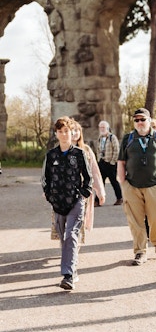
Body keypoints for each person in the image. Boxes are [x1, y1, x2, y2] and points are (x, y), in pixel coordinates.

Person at [117, 108, 156, 265]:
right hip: (132, 186)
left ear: (149, 120)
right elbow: (121, 162)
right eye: (136, 120)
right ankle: (140, 252)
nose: (140, 123)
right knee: (136, 221)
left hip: (154, 185)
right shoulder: (128, 139)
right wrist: (122, 182)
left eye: (142, 119)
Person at [42, 116, 93, 290]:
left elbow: (88, 177)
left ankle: (68, 275)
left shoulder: (79, 154)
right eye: (60, 131)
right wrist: (50, 196)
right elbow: (45, 179)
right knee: (63, 239)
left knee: (71, 235)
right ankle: (72, 269)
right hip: (58, 203)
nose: (64, 135)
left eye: (67, 131)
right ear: (56, 133)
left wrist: (83, 194)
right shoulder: (51, 155)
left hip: (75, 201)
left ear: (72, 132)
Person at [72, 121, 106, 244]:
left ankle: (74, 248)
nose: (75, 133)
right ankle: (68, 246)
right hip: (66, 192)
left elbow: (94, 172)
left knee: (79, 220)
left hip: (83, 191)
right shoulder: (60, 150)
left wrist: (100, 192)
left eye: (77, 130)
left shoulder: (86, 149)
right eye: (72, 130)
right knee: (66, 222)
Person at [96, 120, 123, 206]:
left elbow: (116, 150)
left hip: (110, 163)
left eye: (103, 127)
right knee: (100, 182)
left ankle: (120, 198)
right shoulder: (100, 138)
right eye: (100, 127)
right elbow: (98, 150)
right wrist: (98, 160)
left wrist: (112, 162)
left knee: (114, 181)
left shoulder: (112, 137)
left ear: (107, 128)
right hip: (102, 163)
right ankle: (98, 200)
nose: (102, 129)